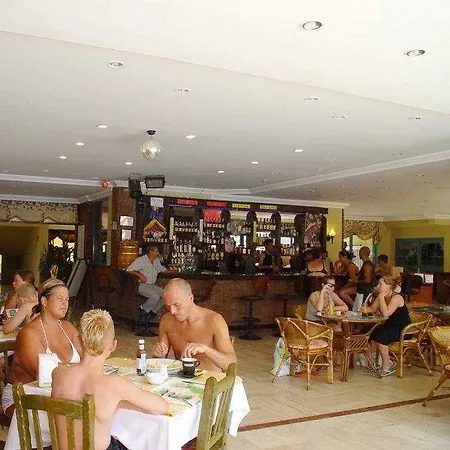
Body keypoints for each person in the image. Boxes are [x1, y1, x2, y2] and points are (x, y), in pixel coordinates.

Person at [52, 309, 169, 450]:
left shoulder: (58, 373)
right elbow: (162, 407)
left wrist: (119, 403)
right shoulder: (114, 385)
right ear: (113, 345)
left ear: (77, 340)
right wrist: (121, 401)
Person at [2, 278, 81, 417]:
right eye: (59, 299)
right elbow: (46, 375)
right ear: (44, 302)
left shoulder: (68, 328)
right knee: (71, 419)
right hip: (24, 398)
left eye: (67, 299)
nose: (65, 304)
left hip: (62, 396)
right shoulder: (29, 334)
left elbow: (88, 357)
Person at [152, 278, 236, 372]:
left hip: (210, 379)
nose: (172, 311)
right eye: (168, 306)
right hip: (181, 378)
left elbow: (231, 365)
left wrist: (206, 349)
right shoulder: (167, 320)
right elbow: (159, 362)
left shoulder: (214, 321)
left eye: (177, 305)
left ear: (191, 298)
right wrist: (158, 354)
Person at [367, 276, 411, 377]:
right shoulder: (381, 295)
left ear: (389, 286)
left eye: (380, 284)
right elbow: (372, 309)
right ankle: (371, 363)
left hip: (403, 329)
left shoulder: (397, 298)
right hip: (389, 326)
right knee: (367, 333)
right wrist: (364, 309)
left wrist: (381, 297)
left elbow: (386, 313)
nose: (377, 286)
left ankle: (387, 364)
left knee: (381, 337)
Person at [126, 245, 166, 321]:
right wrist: (140, 275)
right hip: (141, 285)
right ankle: (142, 310)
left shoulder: (156, 261)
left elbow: (162, 269)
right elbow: (128, 270)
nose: (158, 253)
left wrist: (174, 271)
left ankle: (151, 313)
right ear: (150, 251)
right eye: (156, 251)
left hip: (152, 285)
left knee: (166, 295)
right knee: (155, 297)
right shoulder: (141, 260)